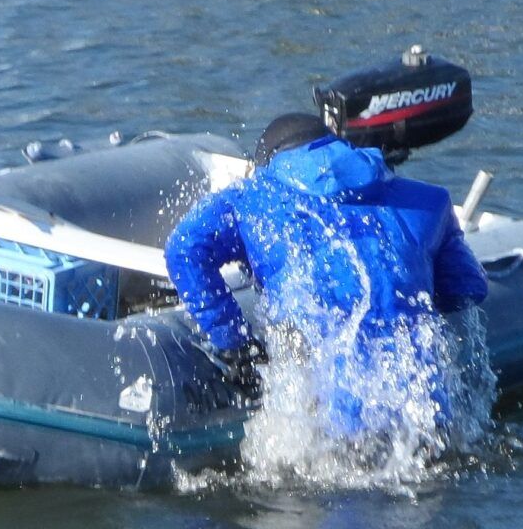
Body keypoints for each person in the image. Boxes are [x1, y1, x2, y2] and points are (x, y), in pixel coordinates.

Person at [165, 112, 489, 439]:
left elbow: (184, 249)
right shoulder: (429, 201)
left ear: (267, 162)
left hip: (331, 427)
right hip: (425, 414)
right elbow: (467, 289)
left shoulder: (249, 200)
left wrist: (237, 345)